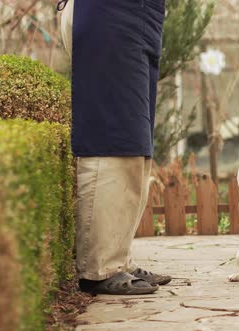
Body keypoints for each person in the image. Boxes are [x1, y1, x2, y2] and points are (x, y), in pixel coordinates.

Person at [58, 0, 171, 295]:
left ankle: (119, 259)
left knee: (136, 142)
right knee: (111, 134)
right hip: (106, 12)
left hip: (145, 15)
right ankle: (99, 267)